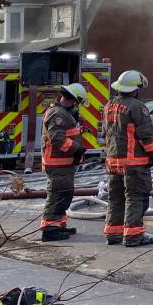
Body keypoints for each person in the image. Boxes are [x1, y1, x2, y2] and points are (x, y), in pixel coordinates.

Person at [102, 70, 153, 247]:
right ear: (135, 89)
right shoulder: (137, 106)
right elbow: (146, 135)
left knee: (116, 198)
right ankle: (133, 236)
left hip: (113, 162)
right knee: (136, 198)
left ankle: (113, 234)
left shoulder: (109, 106)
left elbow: (105, 133)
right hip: (134, 163)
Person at [40, 83, 88, 242]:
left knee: (64, 194)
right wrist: (76, 149)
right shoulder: (57, 114)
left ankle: (58, 225)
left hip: (64, 163)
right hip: (57, 163)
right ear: (74, 99)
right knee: (58, 195)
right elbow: (57, 138)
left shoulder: (64, 113)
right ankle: (49, 229)